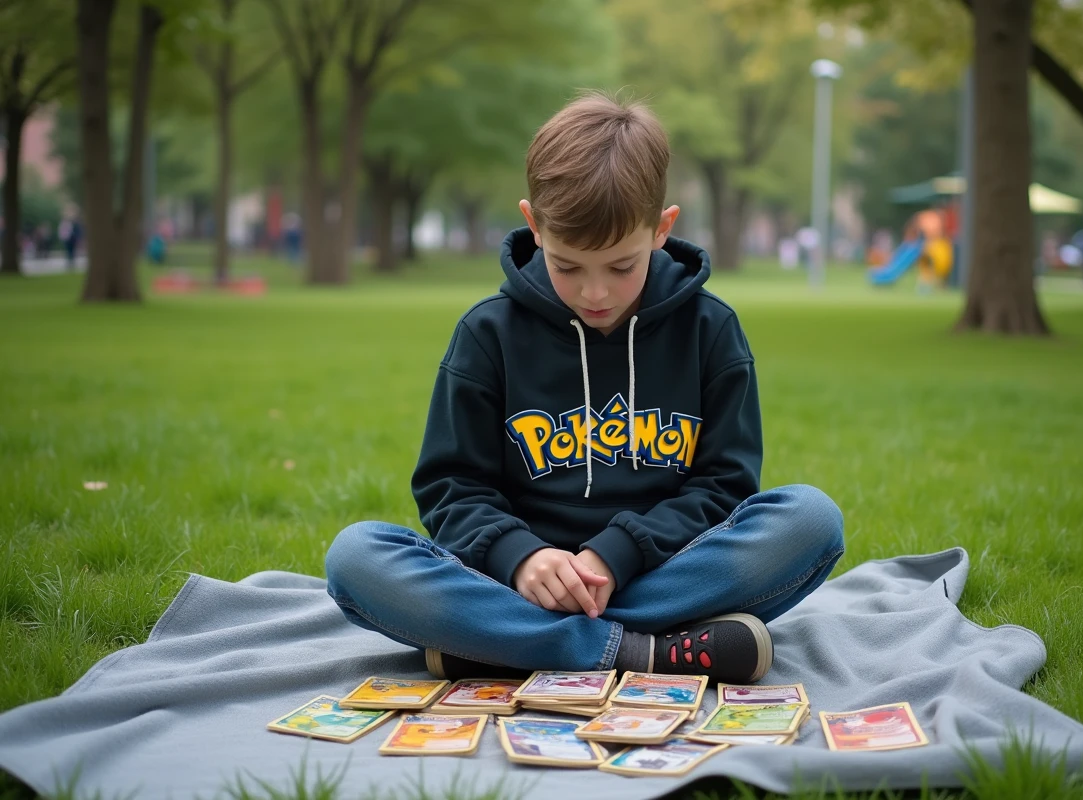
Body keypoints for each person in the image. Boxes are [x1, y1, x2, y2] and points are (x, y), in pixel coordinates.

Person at [324, 92, 845, 684]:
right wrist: (522, 558)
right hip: (519, 581)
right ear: (533, 225)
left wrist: (615, 555)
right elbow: (452, 488)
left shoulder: (711, 330)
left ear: (661, 228)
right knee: (356, 557)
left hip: (660, 571)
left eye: (621, 267)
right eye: (567, 266)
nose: (595, 293)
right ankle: (643, 652)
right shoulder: (485, 334)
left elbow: (724, 487)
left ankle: (498, 644)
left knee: (811, 519)